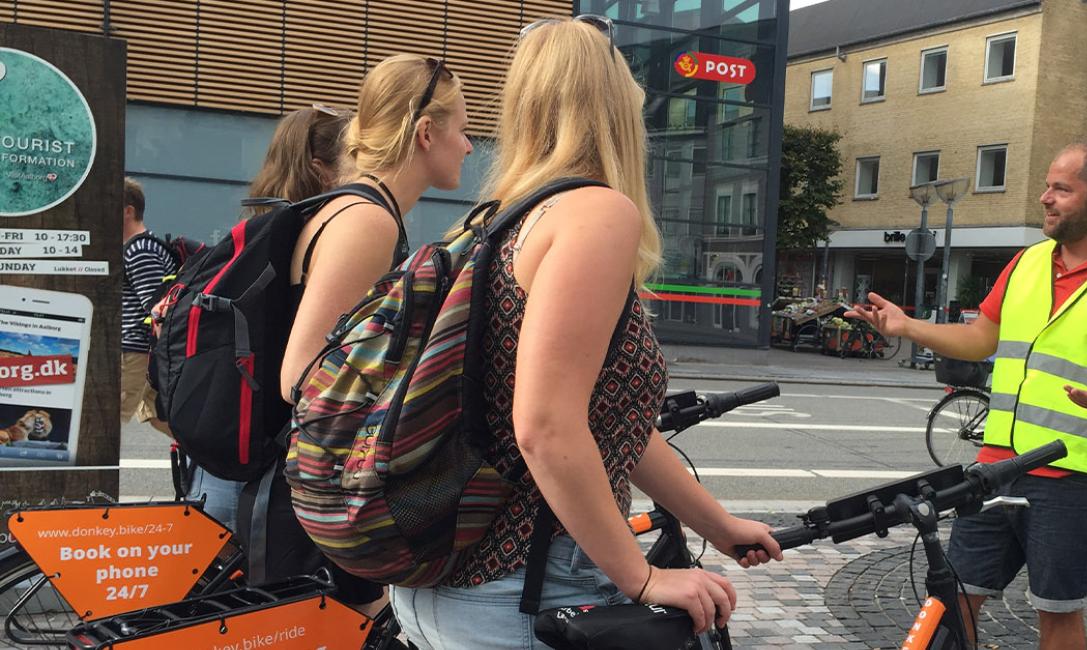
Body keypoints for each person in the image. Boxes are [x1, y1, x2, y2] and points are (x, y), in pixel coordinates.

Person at [388, 18, 782, 650]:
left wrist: (718, 523)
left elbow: (610, 425)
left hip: (445, 586)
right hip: (530, 592)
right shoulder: (595, 213)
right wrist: (642, 576)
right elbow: (545, 427)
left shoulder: (495, 223)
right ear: (618, 105)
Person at [848, 140, 1087, 650]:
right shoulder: (1027, 263)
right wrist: (908, 326)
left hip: (1074, 477)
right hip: (996, 467)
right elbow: (981, 338)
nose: (1046, 197)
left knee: (1057, 613)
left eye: (1062, 189)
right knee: (953, 599)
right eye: (1047, 186)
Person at [257, 54, 473, 614]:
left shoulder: (357, 209)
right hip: (317, 489)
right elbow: (301, 374)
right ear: (427, 133)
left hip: (302, 477)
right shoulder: (366, 220)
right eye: (465, 130)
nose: (471, 147)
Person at [185, 105, 353, 533]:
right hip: (266, 447)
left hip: (218, 433)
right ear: (323, 168)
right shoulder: (324, 235)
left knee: (205, 586)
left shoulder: (254, 230)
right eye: (355, 156)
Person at [119, 177, 175, 438]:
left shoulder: (139, 251)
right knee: (155, 416)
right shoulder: (138, 248)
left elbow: (156, 307)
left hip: (137, 352)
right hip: (141, 350)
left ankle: (212, 462)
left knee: (110, 417)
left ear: (128, 211)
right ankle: (209, 462)